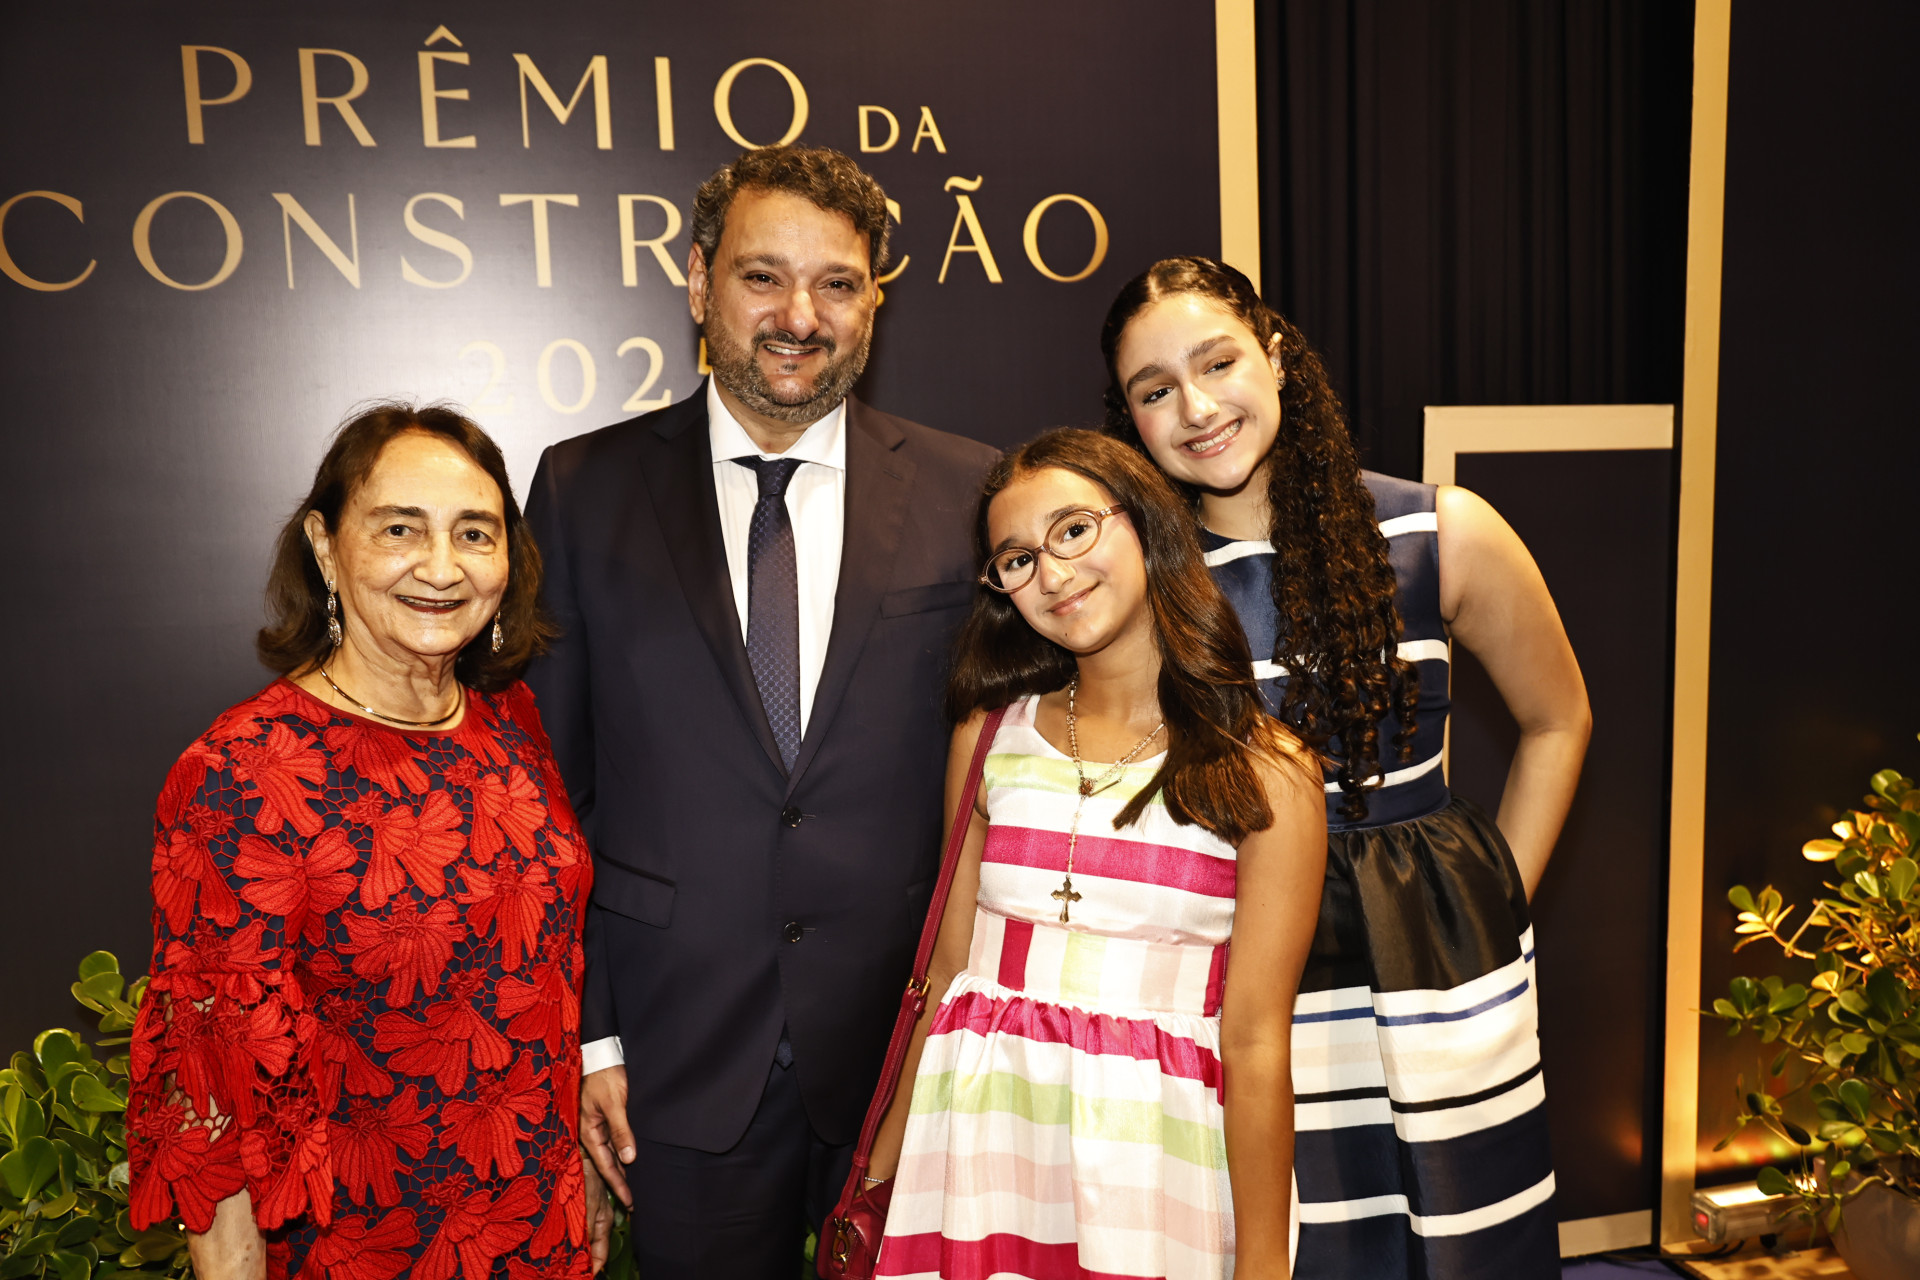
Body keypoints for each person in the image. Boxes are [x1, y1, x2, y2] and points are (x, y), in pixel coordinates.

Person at [525, 144, 999, 1276]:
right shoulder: (582, 488)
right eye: (761, 276)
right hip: (677, 1060)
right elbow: (550, 791)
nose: (801, 314)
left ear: (874, 303)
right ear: (697, 280)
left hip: (904, 1060)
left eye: (838, 283)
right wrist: (590, 1035)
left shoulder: (970, 489)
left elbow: (1003, 773)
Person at [1100, 257, 1591, 1277]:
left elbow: (1558, 718)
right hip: (1242, 977)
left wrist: (1492, 900)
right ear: (1130, 418)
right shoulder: (1143, 586)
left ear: (1275, 353)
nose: (1195, 407)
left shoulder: (1440, 529)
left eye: (1217, 360)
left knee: (1466, 1242)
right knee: (1290, 1246)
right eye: (1155, 390)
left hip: (1438, 966)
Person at [126, 404, 600, 1280]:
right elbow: (212, 1098)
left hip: (541, 1238)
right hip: (357, 1250)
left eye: (474, 533)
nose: (442, 567)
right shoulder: (242, 776)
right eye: (398, 529)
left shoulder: (513, 732)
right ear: (324, 543)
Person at [867, 428, 1326, 1280]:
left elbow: (1258, 1040)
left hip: (1158, 1165)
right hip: (978, 1145)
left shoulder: (1269, 773)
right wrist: (886, 1173)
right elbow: (944, 972)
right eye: (1017, 558)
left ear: (1144, 524)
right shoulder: (988, 735)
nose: (1054, 573)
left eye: (1074, 530)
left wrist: (1265, 1260)